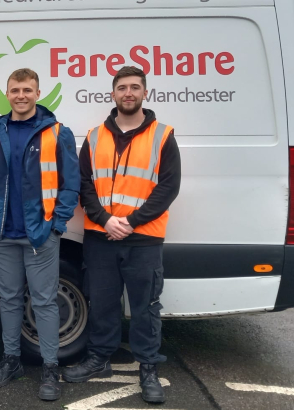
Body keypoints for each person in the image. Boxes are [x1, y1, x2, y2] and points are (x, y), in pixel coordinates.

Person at [61, 66, 181, 405]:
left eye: (135, 87)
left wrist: (130, 221)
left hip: (143, 238)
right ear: (112, 94)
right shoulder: (94, 136)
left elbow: (168, 187)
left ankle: (148, 368)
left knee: (145, 307)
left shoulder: (162, 136)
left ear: (145, 93)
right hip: (101, 237)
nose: (128, 93)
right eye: (122, 87)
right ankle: (99, 358)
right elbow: (84, 184)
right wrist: (105, 219)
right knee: (102, 303)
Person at [0, 68, 79, 402]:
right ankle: (11, 360)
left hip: (40, 234)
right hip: (1, 233)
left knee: (44, 301)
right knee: (7, 299)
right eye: (15, 90)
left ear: (37, 93)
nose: (21, 95)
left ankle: (49, 368)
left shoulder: (57, 132)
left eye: (27, 90)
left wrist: (57, 224)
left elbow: (70, 184)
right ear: (7, 94)